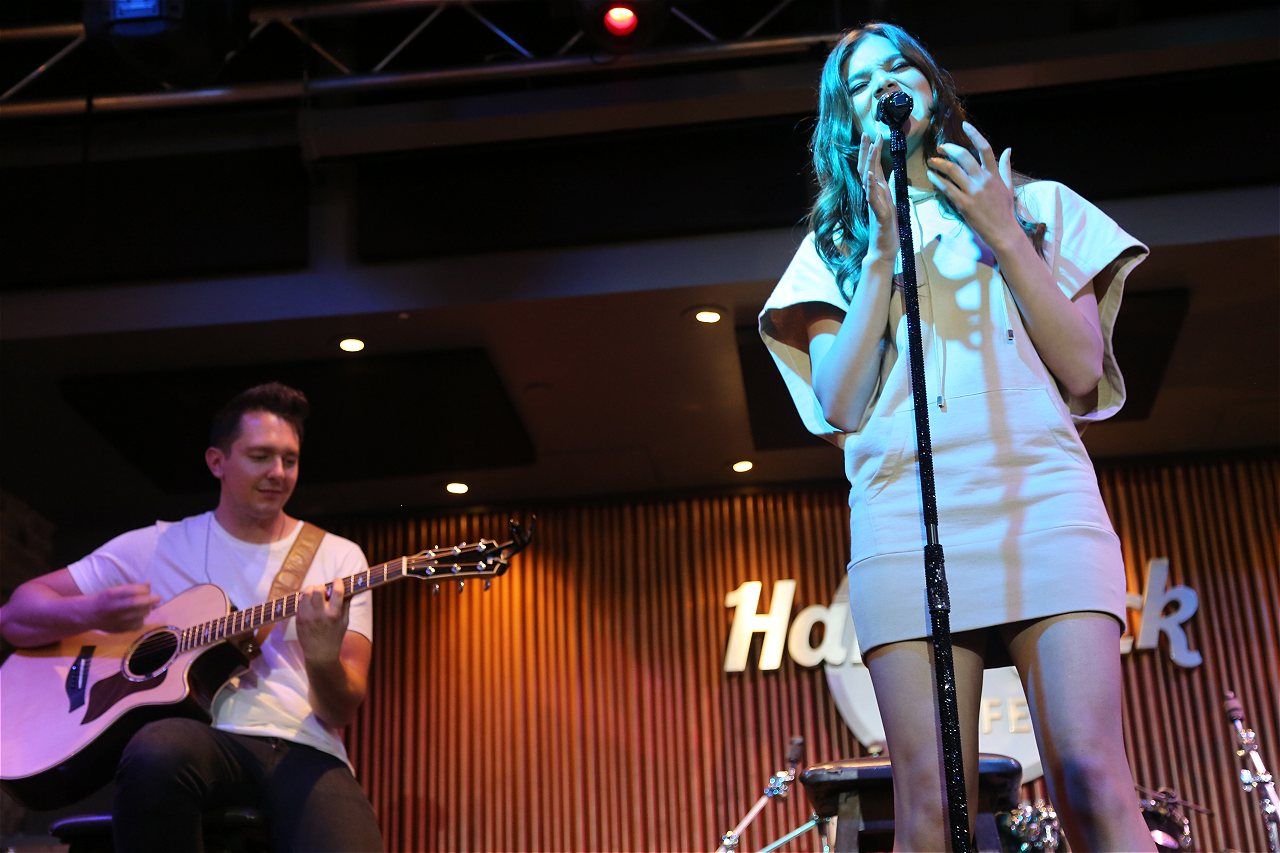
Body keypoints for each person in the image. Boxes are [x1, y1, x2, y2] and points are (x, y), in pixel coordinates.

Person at [759, 23, 1154, 851]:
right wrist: (879, 255)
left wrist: (1003, 232)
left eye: (899, 65)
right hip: (904, 512)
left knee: (1089, 773)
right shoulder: (833, 248)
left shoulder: (1036, 205)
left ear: (930, 83)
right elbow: (840, 403)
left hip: (1040, 496)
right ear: (845, 119)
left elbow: (1082, 366)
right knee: (932, 802)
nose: (884, 84)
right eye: (859, 82)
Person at [0, 382, 383, 852]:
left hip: (303, 746)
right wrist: (92, 610)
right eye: (261, 456)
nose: (278, 473)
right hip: (199, 737)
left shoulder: (338, 558)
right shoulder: (157, 545)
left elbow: (340, 710)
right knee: (156, 749)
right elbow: (17, 616)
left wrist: (322, 657)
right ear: (217, 462)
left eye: (290, 459)